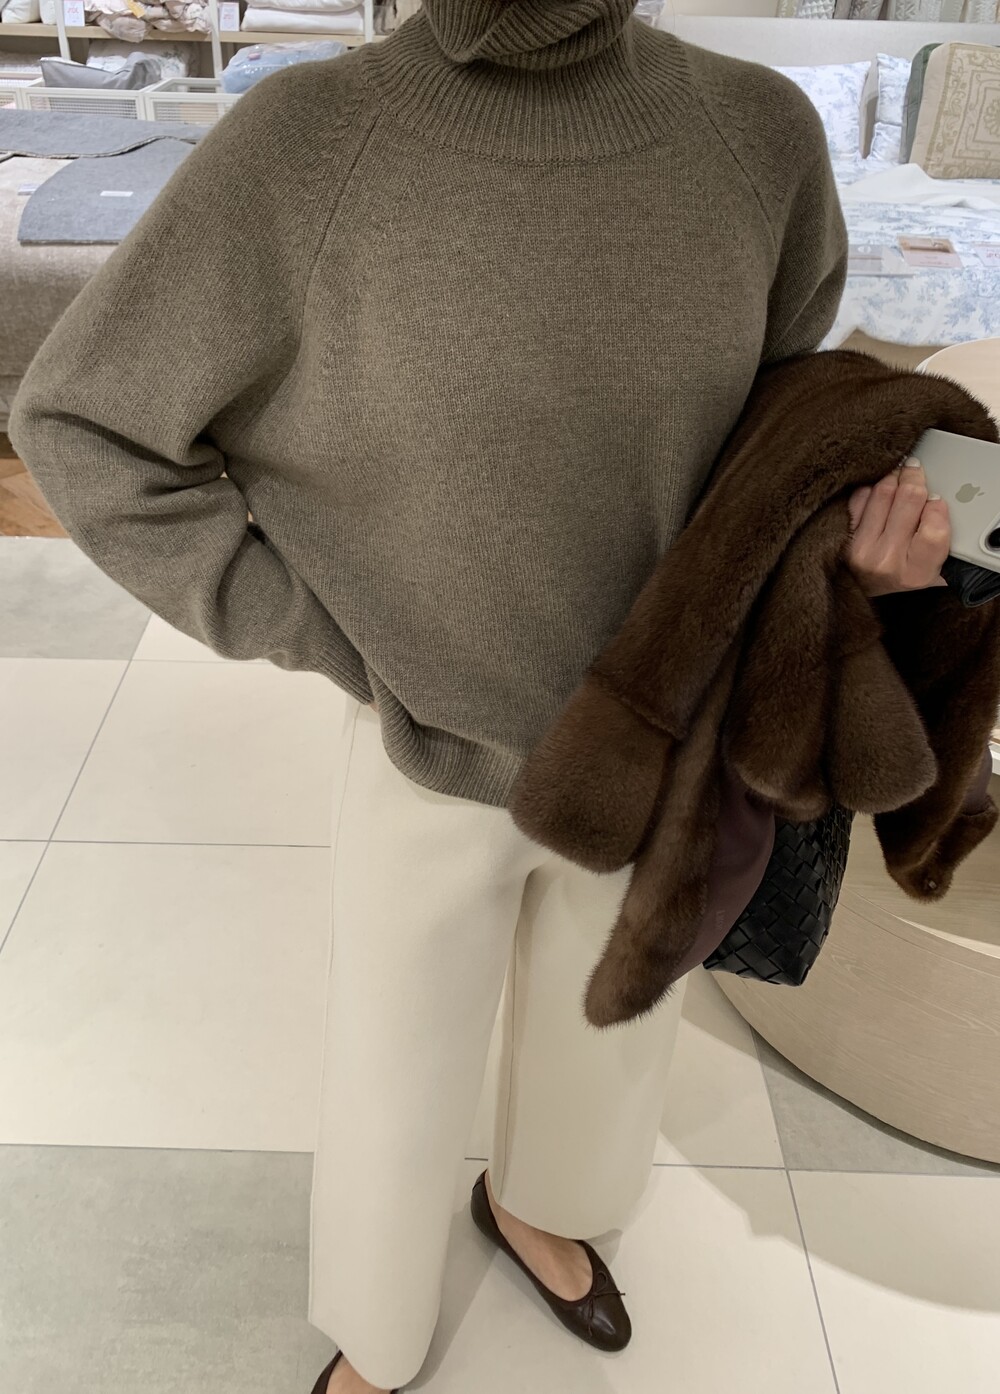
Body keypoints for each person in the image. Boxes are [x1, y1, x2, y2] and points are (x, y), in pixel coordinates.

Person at [8, 3, 955, 1391]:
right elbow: (85, 420)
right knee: (395, 1075)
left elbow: (770, 428)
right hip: (428, 745)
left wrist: (849, 551)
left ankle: (537, 1211)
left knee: (608, 1034)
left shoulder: (758, 135)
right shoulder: (307, 141)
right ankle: (379, 1331)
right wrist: (315, 631)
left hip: (659, 733)